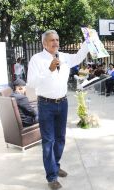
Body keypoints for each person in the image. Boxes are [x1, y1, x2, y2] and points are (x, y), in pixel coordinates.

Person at [27, 30, 89, 190]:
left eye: (57, 39)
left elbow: (79, 56)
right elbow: (31, 84)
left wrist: (89, 40)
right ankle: (51, 176)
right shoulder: (36, 59)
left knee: (60, 138)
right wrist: (49, 70)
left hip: (63, 103)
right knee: (48, 141)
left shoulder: (64, 57)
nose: (55, 42)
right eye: (52, 40)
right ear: (44, 43)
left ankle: (56, 165)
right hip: (45, 104)